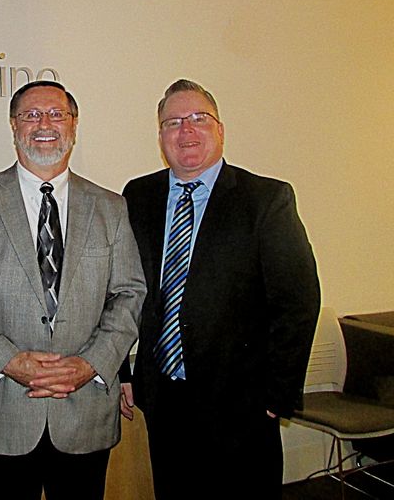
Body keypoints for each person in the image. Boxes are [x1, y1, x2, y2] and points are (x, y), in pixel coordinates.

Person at [0, 80, 147, 500]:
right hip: (0, 410)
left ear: (73, 125)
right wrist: (10, 361)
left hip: (84, 410)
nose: (44, 124)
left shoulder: (111, 207)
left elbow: (129, 294)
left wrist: (91, 364)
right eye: (31, 115)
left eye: (56, 114)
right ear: (14, 127)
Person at [118, 79, 321, 499]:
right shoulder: (138, 196)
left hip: (242, 403)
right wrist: (123, 370)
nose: (186, 131)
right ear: (160, 136)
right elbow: (120, 289)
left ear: (220, 129)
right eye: (173, 122)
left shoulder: (265, 198)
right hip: (164, 399)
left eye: (198, 119)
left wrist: (278, 392)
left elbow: (298, 301)